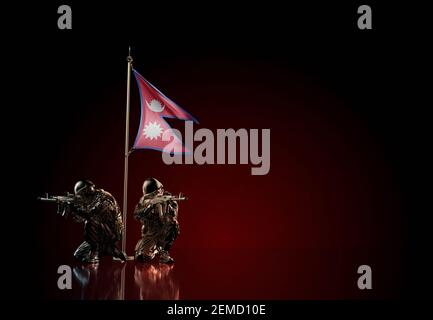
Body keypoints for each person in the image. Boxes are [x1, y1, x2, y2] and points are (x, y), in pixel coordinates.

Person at [67, 180, 127, 263]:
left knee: (90, 222)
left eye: (82, 194)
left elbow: (91, 215)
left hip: (112, 232)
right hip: (99, 232)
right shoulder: (90, 200)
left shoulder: (104, 197)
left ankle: (94, 254)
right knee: (78, 255)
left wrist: (75, 209)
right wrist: (74, 207)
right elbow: (79, 219)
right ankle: (110, 249)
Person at [134, 178, 180, 264]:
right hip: (150, 233)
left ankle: (163, 252)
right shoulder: (144, 201)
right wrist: (150, 206)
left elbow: (173, 216)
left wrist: (166, 206)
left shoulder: (168, 200)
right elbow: (137, 216)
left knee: (174, 225)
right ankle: (153, 249)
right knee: (143, 257)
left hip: (162, 231)